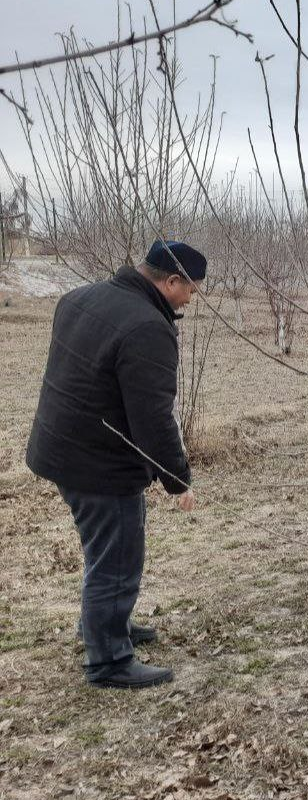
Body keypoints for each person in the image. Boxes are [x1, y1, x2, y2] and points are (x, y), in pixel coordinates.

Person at [26, 240, 204, 689]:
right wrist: (178, 479)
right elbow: (153, 419)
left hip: (62, 449)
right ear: (171, 281)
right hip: (100, 464)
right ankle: (108, 660)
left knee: (104, 549)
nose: (190, 299)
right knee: (117, 557)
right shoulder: (147, 328)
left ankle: (106, 623)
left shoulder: (79, 297)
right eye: (191, 289)